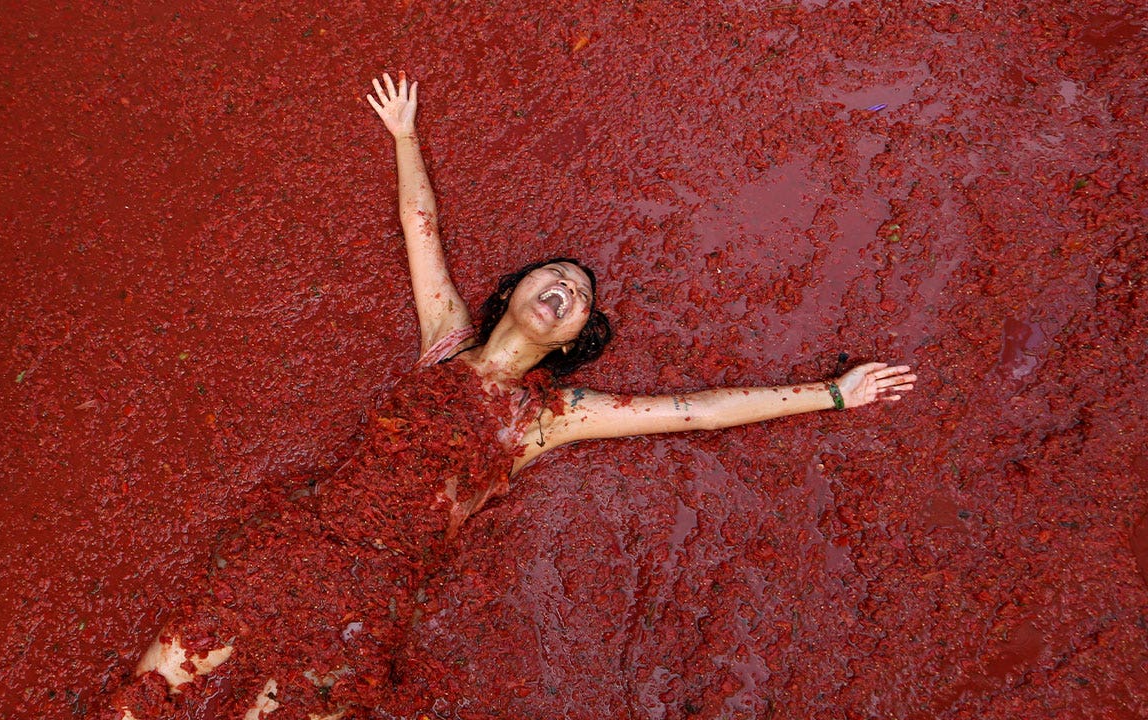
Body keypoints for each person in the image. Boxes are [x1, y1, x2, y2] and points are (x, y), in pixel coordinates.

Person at [111, 72, 916, 720]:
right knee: (145, 699)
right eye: (555, 276)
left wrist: (833, 395)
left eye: (578, 297)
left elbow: (696, 411)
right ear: (516, 290)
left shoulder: (548, 420)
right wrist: (405, 136)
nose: (565, 290)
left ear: (573, 342)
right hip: (292, 543)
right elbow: (419, 224)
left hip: (366, 601)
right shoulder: (446, 341)